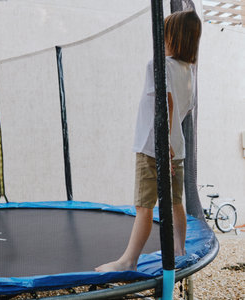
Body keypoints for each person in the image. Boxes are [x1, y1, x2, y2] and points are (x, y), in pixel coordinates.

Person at [95, 10, 202, 272]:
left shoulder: (159, 64)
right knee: (176, 202)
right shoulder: (190, 71)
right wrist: (171, 143)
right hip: (177, 150)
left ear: (171, 37)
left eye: (164, 33)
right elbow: (186, 109)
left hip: (152, 148)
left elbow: (165, 104)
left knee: (144, 207)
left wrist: (163, 145)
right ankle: (179, 250)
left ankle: (128, 261)